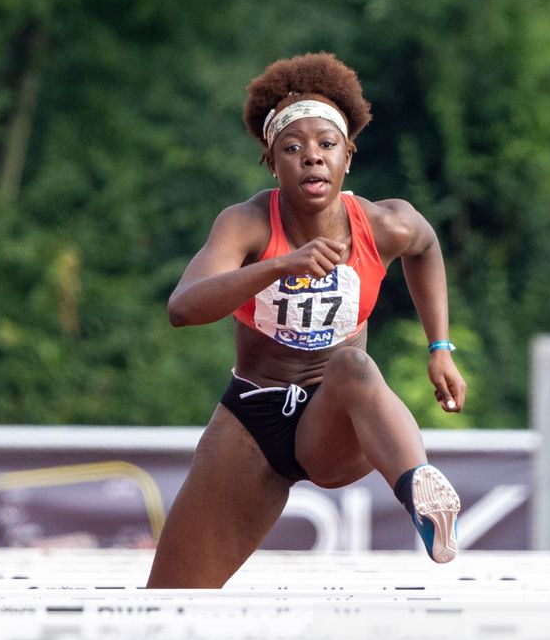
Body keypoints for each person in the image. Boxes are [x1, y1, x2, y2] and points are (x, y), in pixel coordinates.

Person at [147, 52, 467, 588]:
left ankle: (420, 487)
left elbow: (427, 245)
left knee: (354, 368)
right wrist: (278, 265)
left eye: (326, 146)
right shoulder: (247, 224)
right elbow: (183, 308)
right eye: (293, 148)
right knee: (171, 598)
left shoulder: (384, 223)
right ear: (271, 163)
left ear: (349, 157)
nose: (311, 158)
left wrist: (439, 347)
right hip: (253, 418)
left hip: (335, 423)